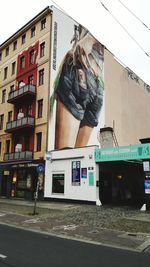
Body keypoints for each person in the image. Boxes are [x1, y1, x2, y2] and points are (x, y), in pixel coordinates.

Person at [51, 25, 104, 149]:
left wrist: (89, 39)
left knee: (63, 157)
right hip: (98, 82)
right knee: (79, 159)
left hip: (78, 69)